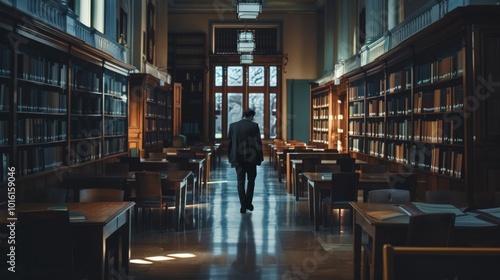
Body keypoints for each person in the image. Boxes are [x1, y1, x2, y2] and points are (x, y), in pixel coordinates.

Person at [228, 108, 264, 214]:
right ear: (251, 116)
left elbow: (229, 144)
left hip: (238, 158)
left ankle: (243, 205)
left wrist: (231, 158)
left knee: (240, 182)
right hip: (251, 159)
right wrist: (260, 158)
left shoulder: (233, 126)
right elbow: (258, 143)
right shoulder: (254, 126)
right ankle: (247, 203)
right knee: (251, 181)